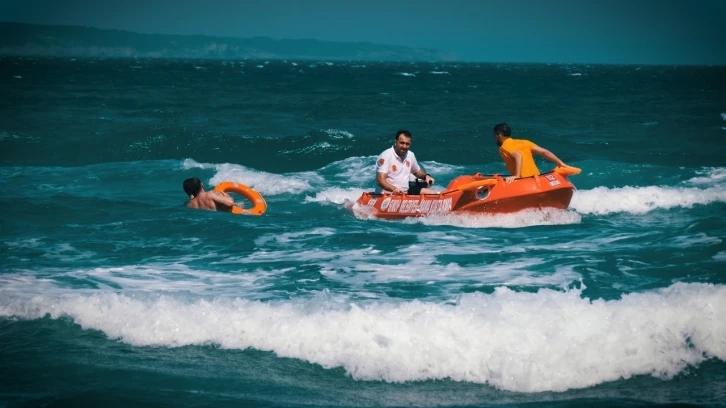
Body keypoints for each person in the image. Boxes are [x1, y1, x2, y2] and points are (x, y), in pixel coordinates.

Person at [493, 123, 569, 183]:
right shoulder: (524, 142)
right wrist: (560, 163)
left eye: (495, 135)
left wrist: (517, 175)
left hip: (524, 181)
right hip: (537, 179)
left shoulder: (504, 146)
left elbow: (518, 156)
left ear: (499, 135)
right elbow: (544, 151)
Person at [376, 130, 436, 195]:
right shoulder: (386, 156)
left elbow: (416, 171)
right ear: (395, 142)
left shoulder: (410, 155)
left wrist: (426, 176)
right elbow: (380, 180)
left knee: (432, 193)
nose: (404, 146)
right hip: (387, 194)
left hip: (405, 193)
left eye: (407, 144)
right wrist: (394, 189)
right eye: (402, 143)